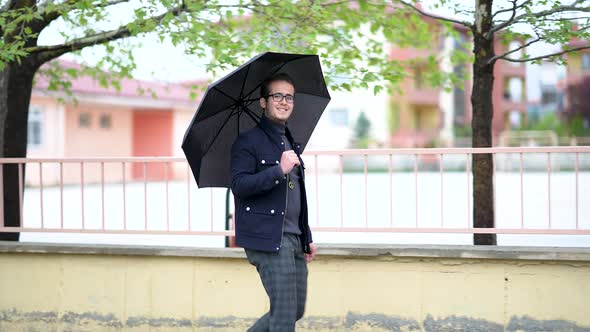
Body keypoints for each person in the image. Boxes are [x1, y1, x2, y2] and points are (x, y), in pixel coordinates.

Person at [231, 72, 317, 332]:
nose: (284, 101)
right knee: (283, 317)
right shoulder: (247, 142)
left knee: (295, 310)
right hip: (268, 238)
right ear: (263, 102)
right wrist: (278, 170)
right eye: (277, 95)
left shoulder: (290, 140)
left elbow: (296, 195)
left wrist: (306, 236)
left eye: (289, 96)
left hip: (293, 238)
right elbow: (239, 186)